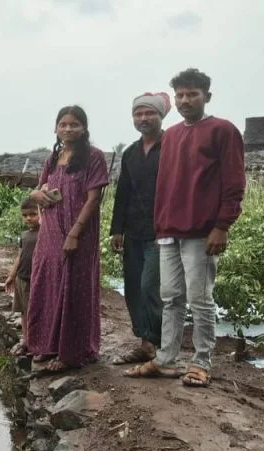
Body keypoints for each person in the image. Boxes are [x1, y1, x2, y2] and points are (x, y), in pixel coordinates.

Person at [125, 68, 245, 387]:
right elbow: (165, 185)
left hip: (201, 231)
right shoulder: (173, 135)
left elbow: (234, 184)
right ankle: (166, 359)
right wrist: (160, 225)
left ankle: (202, 361)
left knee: (200, 297)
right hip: (168, 230)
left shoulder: (223, 131)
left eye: (192, 94)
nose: (185, 100)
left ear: (207, 96)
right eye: (179, 95)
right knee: (170, 296)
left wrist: (222, 226)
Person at [26, 105, 111, 374]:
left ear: (84, 128)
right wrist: (37, 194)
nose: (68, 129)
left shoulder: (93, 157)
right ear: (55, 128)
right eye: (63, 124)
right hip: (50, 229)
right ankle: (45, 344)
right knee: (47, 282)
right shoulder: (52, 158)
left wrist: (75, 233)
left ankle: (72, 352)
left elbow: (94, 199)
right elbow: (39, 189)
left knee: (75, 286)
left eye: (74, 124)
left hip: (79, 230)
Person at [110, 92, 170, 366]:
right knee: (133, 287)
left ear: (161, 116)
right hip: (133, 230)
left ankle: (159, 344)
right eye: (139, 114)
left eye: (149, 113)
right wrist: (117, 229)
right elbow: (123, 192)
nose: (143, 119)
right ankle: (145, 344)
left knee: (150, 286)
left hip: (162, 230)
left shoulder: (172, 146)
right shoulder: (131, 152)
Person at [5, 198, 40, 357]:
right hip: (21, 279)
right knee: (24, 313)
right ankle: (26, 340)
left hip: (36, 280)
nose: (28, 218)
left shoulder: (45, 234)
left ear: (41, 214)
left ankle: (37, 342)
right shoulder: (25, 235)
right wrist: (12, 275)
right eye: (25, 215)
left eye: (33, 214)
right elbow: (20, 256)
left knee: (34, 312)